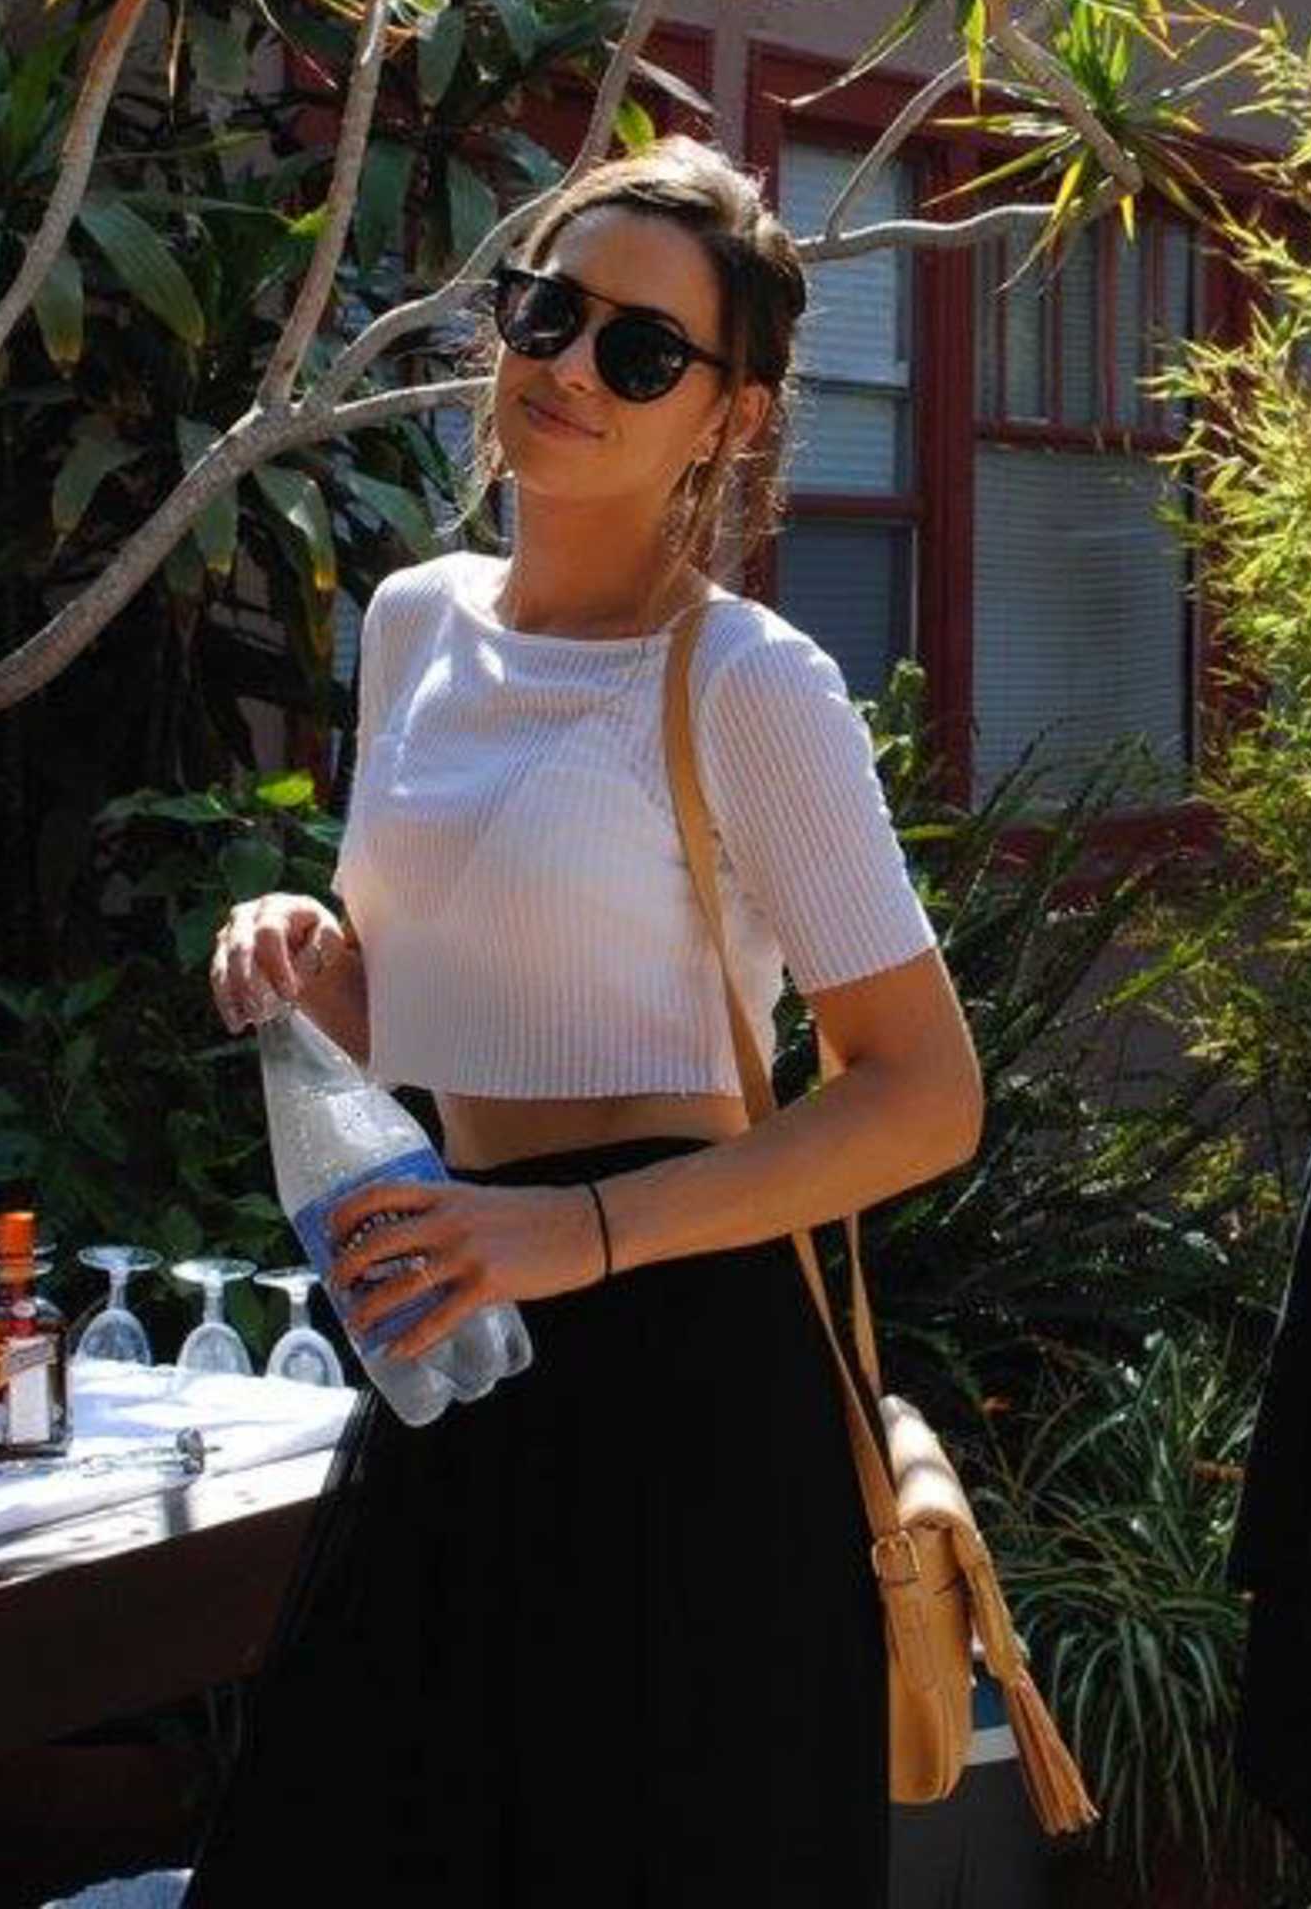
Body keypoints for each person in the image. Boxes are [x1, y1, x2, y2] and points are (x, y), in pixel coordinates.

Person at [184, 138, 982, 1906]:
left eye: (641, 349)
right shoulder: (412, 625)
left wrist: (580, 1230)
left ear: (730, 418)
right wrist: (317, 964)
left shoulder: (751, 685)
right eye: (548, 309)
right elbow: (439, 1014)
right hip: (455, 1350)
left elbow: (926, 1097)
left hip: (690, 1388)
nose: (566, 365)